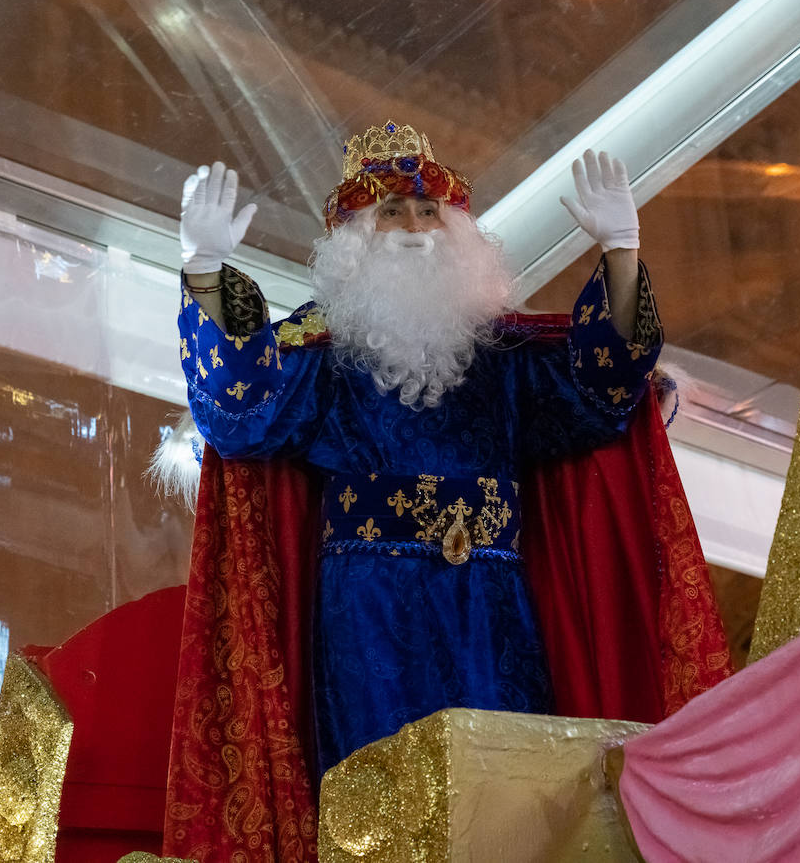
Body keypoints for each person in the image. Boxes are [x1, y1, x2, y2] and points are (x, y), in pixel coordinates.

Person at [177, 122, 663, 775]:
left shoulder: (504, 360)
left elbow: (602, 393)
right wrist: (205, 271)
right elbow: (238, 411)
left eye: (427, 210)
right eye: (391, 212)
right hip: (372, 607)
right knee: (383, 790)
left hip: (492, 602)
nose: (412, 225)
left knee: (502, 786)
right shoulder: (324, 355)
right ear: (353, 243)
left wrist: (621, 252)